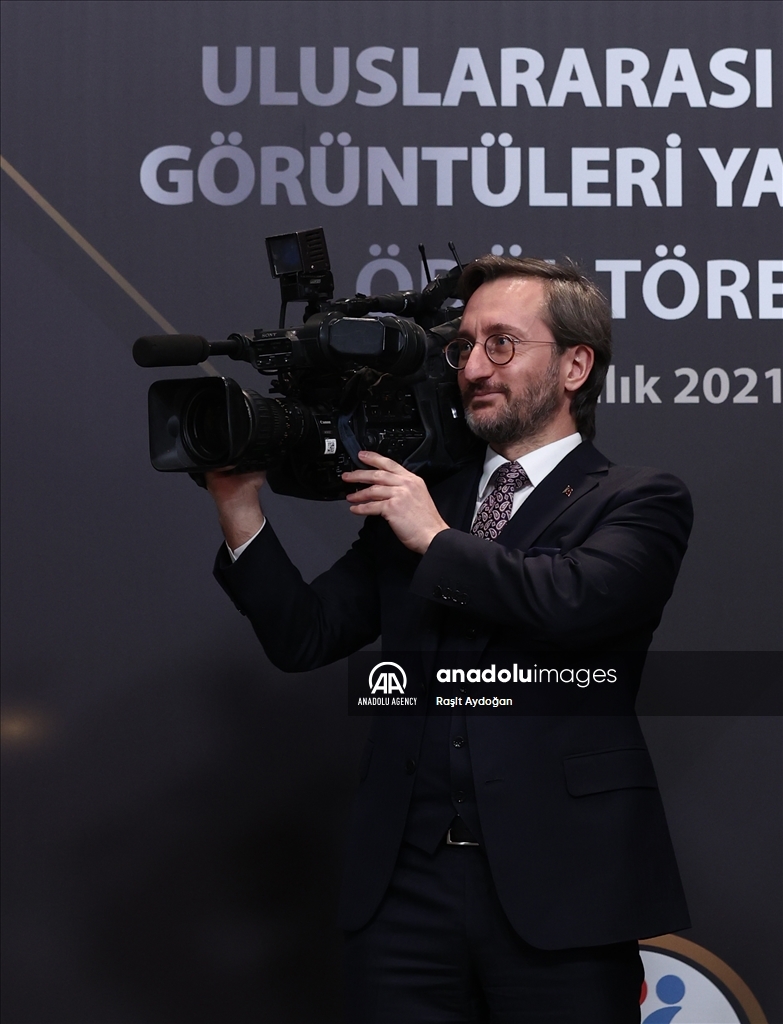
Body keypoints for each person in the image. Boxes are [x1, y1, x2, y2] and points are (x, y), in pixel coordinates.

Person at [206, 256, 692, 1023]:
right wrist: (238, 505)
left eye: (501, 343)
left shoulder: (636, 499)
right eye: (462, 346)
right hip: (404, 894)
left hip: (562, 887)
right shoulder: (424, 496)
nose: (471, 367)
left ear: (574, 365)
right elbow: (304, 635)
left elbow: (571, 600)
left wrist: (432, 537)